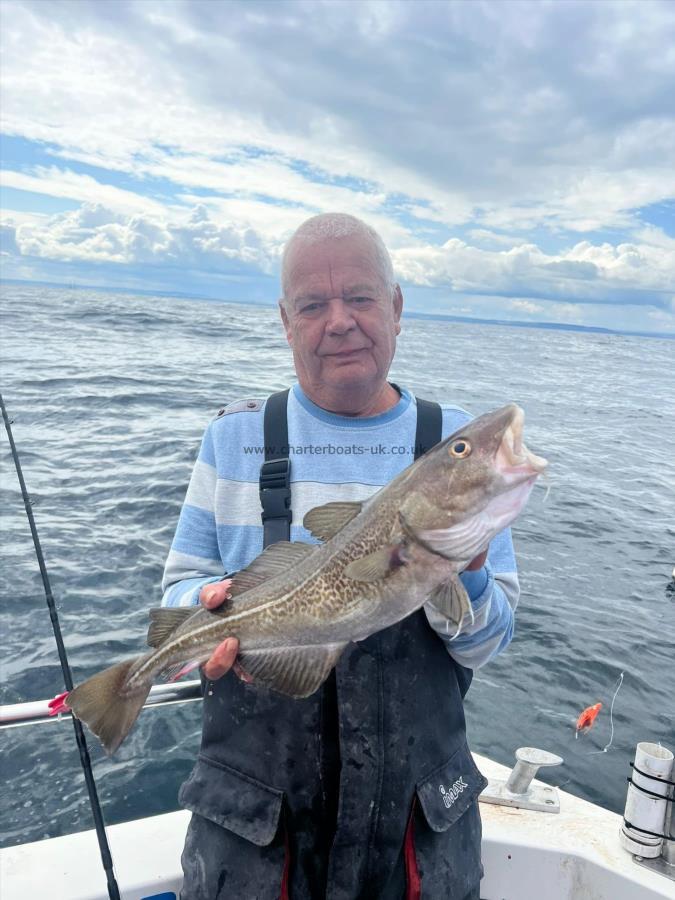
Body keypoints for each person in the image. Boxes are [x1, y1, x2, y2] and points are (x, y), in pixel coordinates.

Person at [162, 213, 520, 900]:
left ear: (395, 307)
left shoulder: (450, 443)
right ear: (285, 321)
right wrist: (201, 617)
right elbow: (182, 586)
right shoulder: (234, 436)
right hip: (256, 839)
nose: (339, 321)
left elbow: (486, 645)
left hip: (417, 835)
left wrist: (465, 572)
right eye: (312, 305)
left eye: (358, 297)